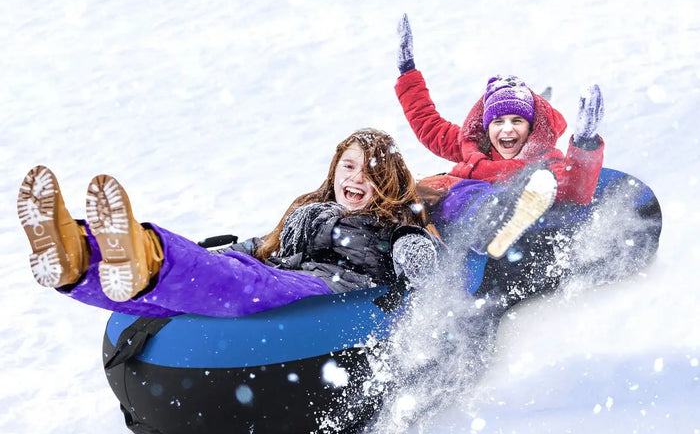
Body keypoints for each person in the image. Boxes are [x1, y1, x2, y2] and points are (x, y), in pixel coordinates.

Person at [17, 129, 453, 319]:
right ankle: (74, 256)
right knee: (171, 299)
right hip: (280, 272)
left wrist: (415, 250)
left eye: (369, 173)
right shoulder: (307, 210)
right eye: (349, 165)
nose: (355, 178)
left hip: (326, 292)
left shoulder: (389, 223)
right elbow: (259, 246)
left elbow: (417, 251)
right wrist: (218, 255)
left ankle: (148, 255)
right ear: (334, 168)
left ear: (387, 183)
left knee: (243, 284)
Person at [394, 14, 605, 207]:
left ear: (531, 128)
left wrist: (585, 143)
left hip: (506, 219)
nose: (507, 130)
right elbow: (427, 122)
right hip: (461, 218)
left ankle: (502, 212)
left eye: (517, 121)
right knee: (426, 188)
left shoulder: (544, 162)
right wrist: (407, 72)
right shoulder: (473, 147)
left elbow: (574, 188)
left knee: (518, 192)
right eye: (498, 122)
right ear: (487, 129)